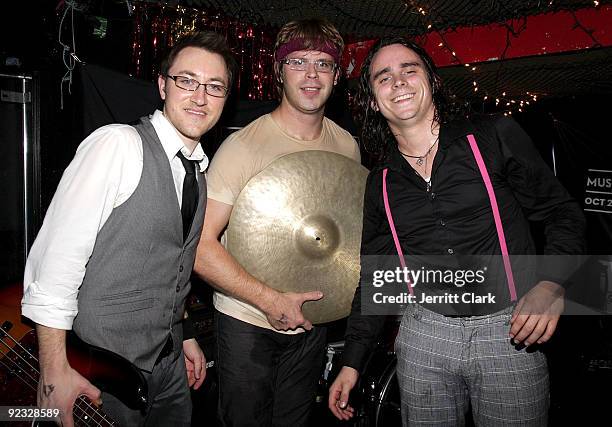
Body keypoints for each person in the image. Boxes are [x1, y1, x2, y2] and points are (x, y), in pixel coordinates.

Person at [328, 37, 585, 426]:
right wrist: (352, 363)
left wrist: (552, 284)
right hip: (424, 335)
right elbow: (377, 278)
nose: (398, 82)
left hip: (509, 330)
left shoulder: (492, 136)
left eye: (409, 70)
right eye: (384, 77)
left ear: (430, 80)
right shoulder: (380, 182)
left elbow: (563, 214)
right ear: (372, 100)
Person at [21, 31, 236, 426]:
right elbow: (56, 264)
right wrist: (53, 372)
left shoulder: (198, 171)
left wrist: (183, 334)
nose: (200, 96)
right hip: (101, 369)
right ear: (162, 85)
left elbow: (172, 271)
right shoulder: (117, 145)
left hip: (168, 368)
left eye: (215, 86)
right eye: (186, 80)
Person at [193, 18, 361, 427]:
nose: (310, 74)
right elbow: (198, 247)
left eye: (323, 63)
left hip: (312, 326)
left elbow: (347, 239)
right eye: (298, 62)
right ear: (278, 71)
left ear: (337, 76)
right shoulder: (242, 146)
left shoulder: (346, 146)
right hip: (247, 323)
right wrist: (270, 301)